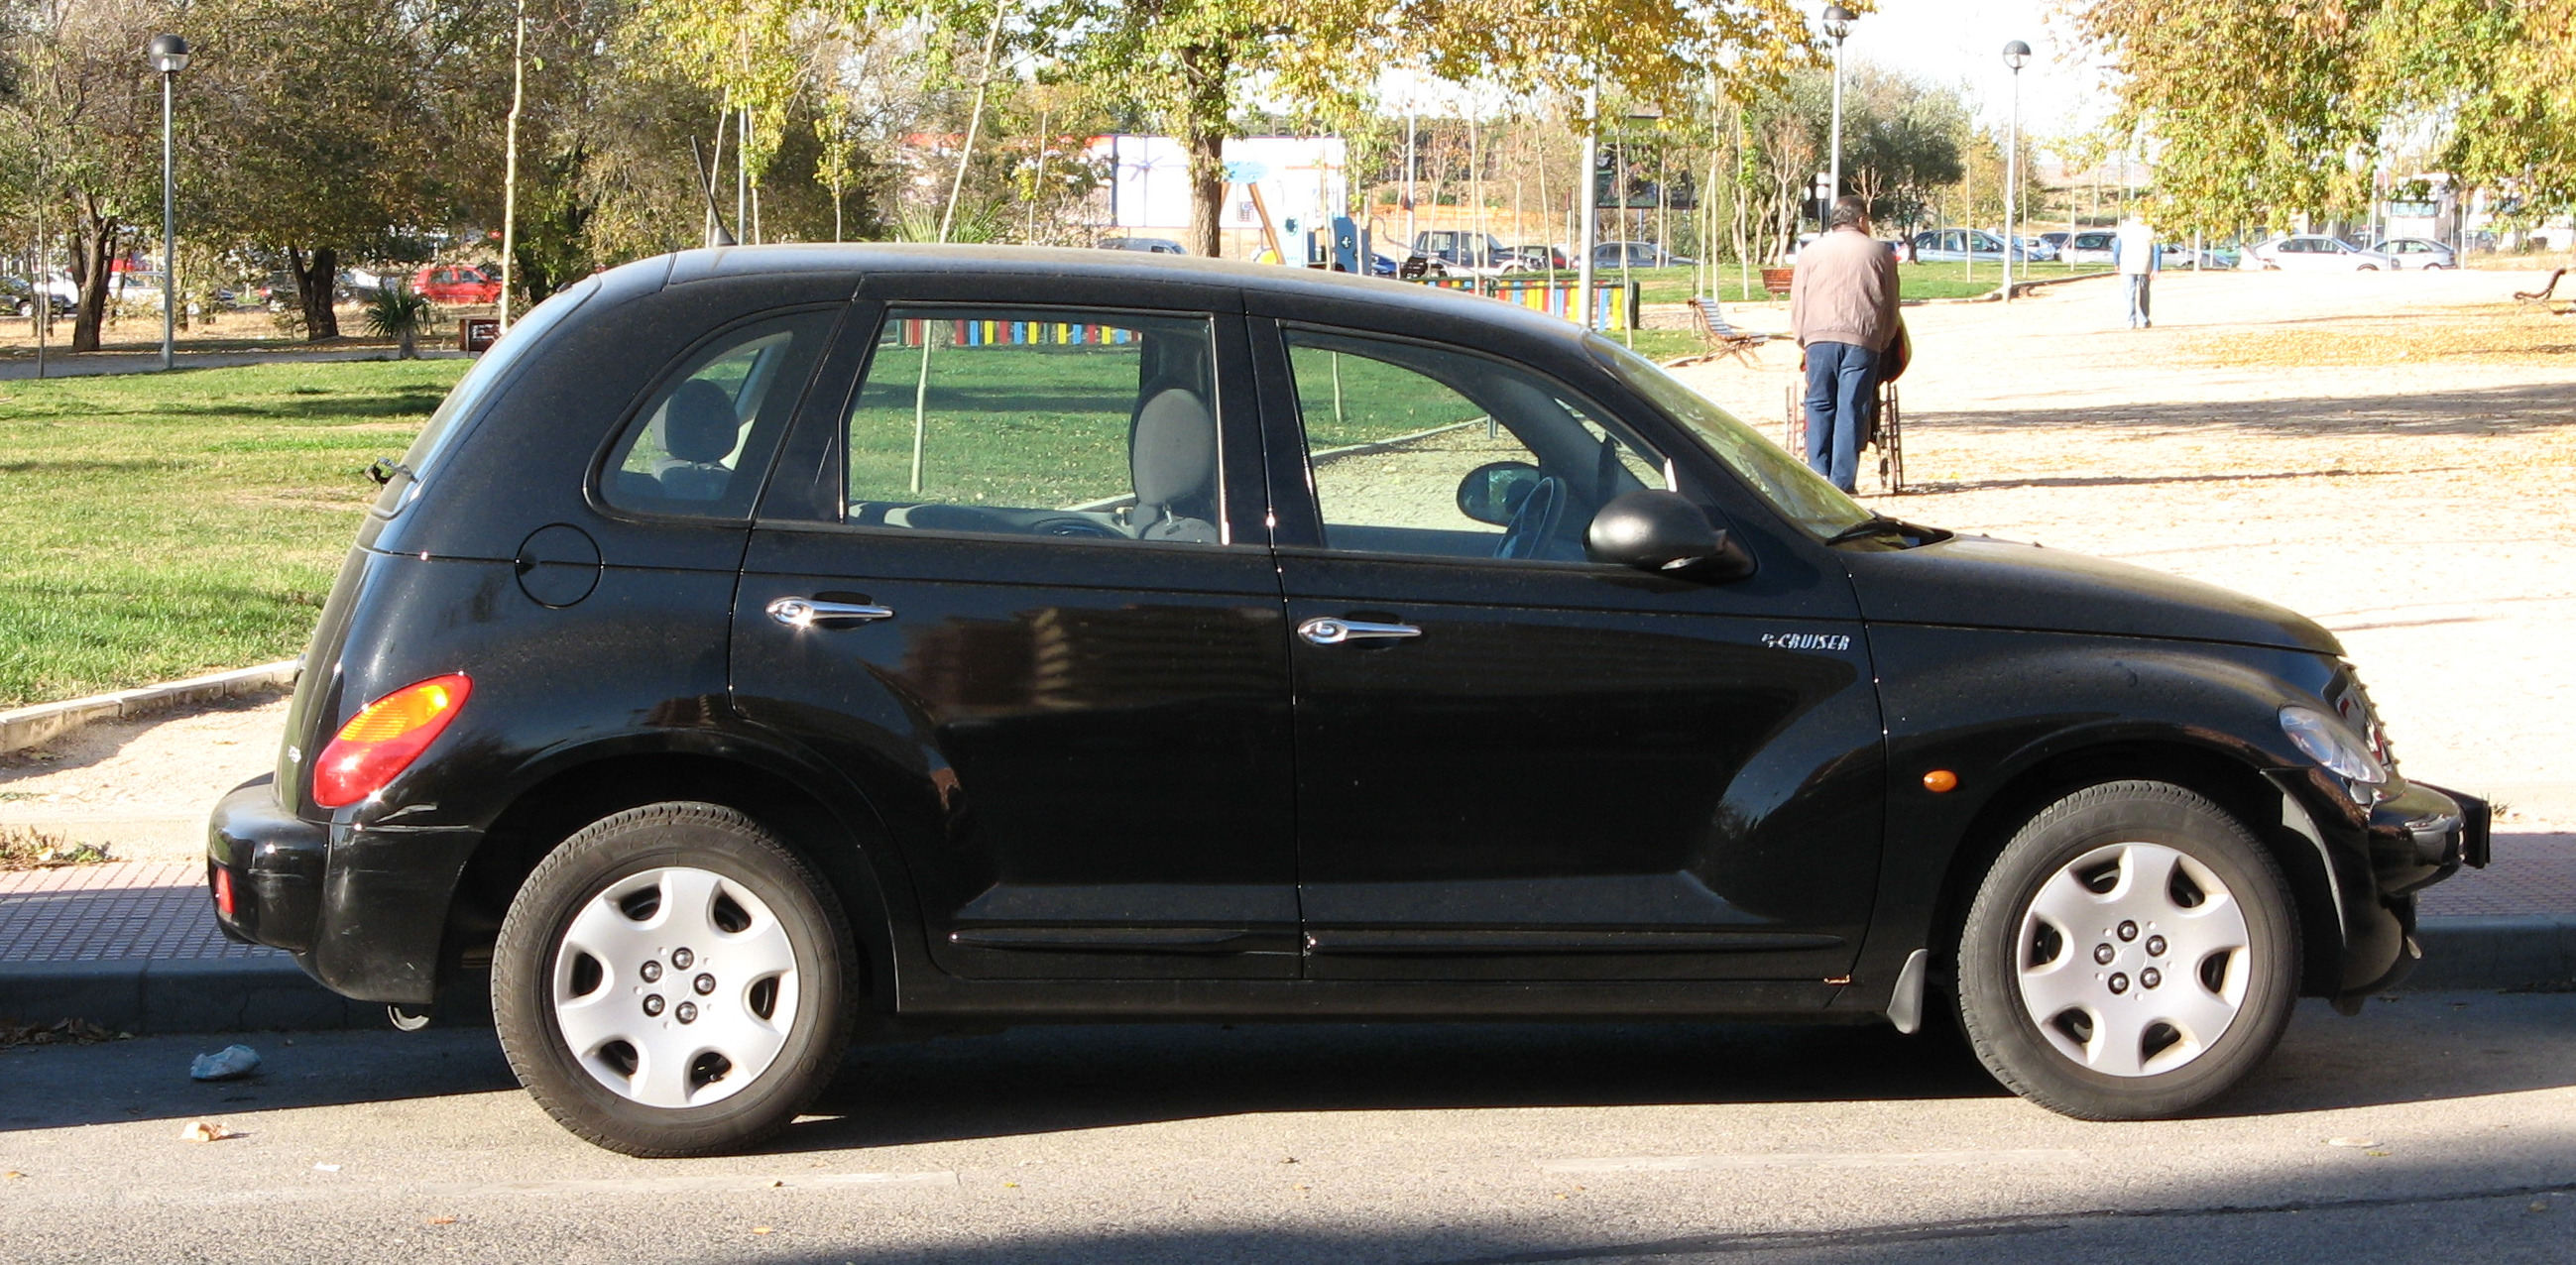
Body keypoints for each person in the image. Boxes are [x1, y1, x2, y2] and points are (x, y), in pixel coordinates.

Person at [1790, 195, 1901, 493]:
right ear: (1862, 220)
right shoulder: (1879, 252)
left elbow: (1798, 299)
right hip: (1863, 338)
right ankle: (1842, 482)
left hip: (1818, 337)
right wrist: (1885, 337)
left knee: (1819, 403)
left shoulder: (1811, 253)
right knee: (1852, 406)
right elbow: (1891, 303)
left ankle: (1817, 476)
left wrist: (1802, 336)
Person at [2112, 214, 2160, 328]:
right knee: (2144, 292)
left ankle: (2131, 321)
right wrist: (2156, 268)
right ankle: (2144, 320)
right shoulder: (2151, 228)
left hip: (2127, 264)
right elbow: (2157, 250)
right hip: (2145, 264)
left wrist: (2116, 262)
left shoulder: (2124, 228)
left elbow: (2117, 247)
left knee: (2129, 293)